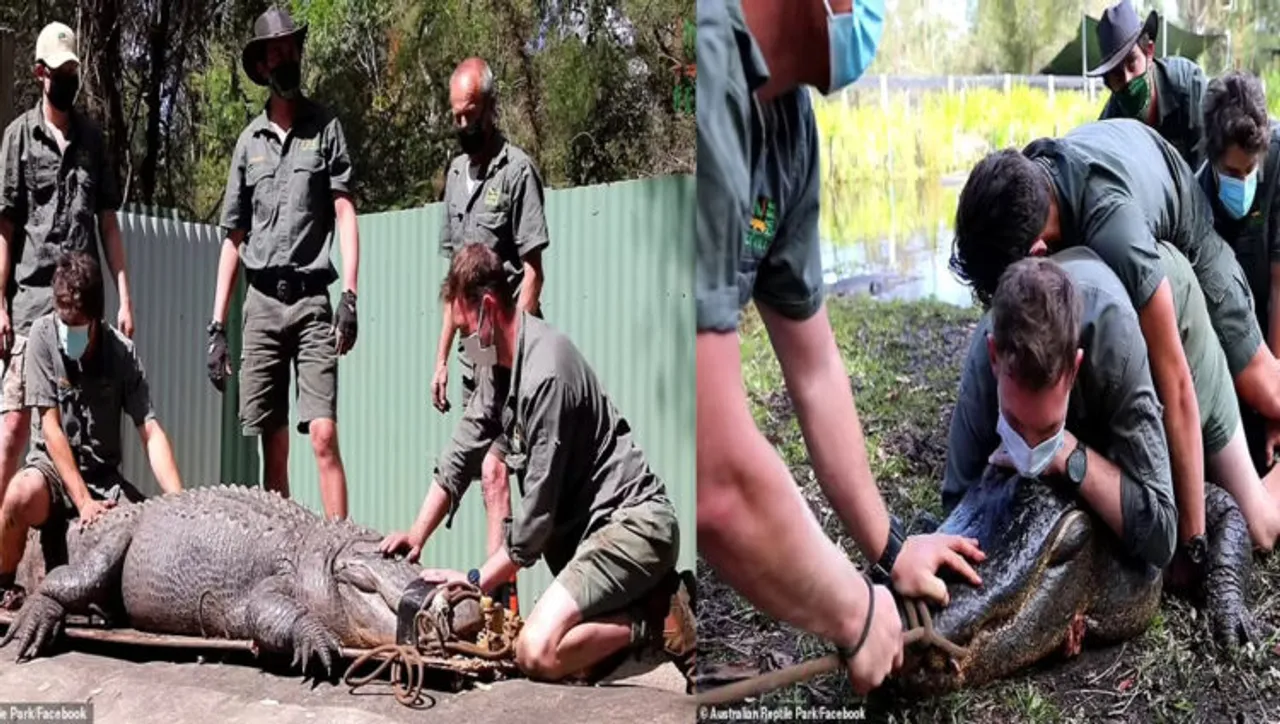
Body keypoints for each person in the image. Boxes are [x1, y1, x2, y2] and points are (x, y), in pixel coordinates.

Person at [696, 0, 986, 696]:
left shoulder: (788, 124)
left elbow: (818, 368)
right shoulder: (703, 76)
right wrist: (857, 615)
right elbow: (714, 478)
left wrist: (887, 548)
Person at [950, 119, 1280, 563]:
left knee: (1263, 395)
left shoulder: (1115, 232)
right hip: (1126, 176)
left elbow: (1176, 381)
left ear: (1037, 256)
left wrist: (1192, 538)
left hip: (1186, 234)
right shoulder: (1017, 196)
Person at [378, 243, 693, 683]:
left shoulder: (547, 372)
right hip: (592, 541)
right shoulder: (498, 362)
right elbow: (465, 445)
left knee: (535, 651)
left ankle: (657, 619)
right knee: (562, 657)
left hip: (634, 528)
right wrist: (417, 534)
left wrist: (473, 579)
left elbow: (536, 522)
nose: (463, 345)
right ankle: (635, 614)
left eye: (463, 329)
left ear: (488, 308)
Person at [206, 7, 360, 520]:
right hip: (262, 307)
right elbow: (234, 238)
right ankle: (282, 563)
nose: (285, 58)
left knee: (323, 435)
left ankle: (341, 557)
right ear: (262, 66)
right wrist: (216, 327)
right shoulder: (248, 143)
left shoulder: (327, 128)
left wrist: (351, 296)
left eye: (291, 49)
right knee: (272, 451)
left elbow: (344, 210)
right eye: (275, 53)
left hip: (314, 301)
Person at [945, 254, 1178, 568]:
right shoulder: (985, 357)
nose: (1028, 449)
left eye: (1045, 430)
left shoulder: (1116, 347)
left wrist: (1066, 453)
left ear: (1075, 367)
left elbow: (1162, 537)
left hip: (1174, 317)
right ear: (994, 357)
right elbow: (957, 505)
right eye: (1015, 423)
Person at [0, 22, 137, 507]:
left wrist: (123, 293)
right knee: (15, 425)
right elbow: (6, 229)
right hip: (32, 303)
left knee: (82, 430)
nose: (69, 79)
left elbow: (109, 225)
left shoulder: (93, 141)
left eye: (74, 70)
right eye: (60, 71)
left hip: (81, 312)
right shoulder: (18, 138)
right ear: (41, 73)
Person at [0, 252, 183, 609]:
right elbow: (50, 428)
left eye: (77, 324)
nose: (68, 332)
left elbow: (150, 430)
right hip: (51, 472)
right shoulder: (41, 335)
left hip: (104, 477)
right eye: (63, 321)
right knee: (19, 494)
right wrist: (82, 501)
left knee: (152, 533)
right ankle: (3, 582)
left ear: (97, 317)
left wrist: (180, 502)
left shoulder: (122, 354)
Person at [433, 56, 551, 605]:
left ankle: (497, 604)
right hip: (472, 352)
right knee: (484, 475)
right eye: (455, 117)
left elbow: (533, 271)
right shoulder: (455, 178)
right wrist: (441, 358)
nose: (463, 126)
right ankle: (497, 600)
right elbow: (453, 287)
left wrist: (518, 349)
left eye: (470, 115)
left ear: (490, 107)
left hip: (509, 345)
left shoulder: (517, 170)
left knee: (498, 470)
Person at [1196, 70, 1280, 474]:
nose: (1243, 181)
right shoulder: (1195, 200)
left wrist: (1274, 406)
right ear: (1212, 159)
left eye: (1250, 171)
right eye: (1232, 173)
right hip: (1231, 339)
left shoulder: (1277, 162)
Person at [1090, 0, 1208, 173]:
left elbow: (1207, 167)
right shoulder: (1111, 124)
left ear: (1149, 52)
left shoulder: (1189, 87)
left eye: (1131, 62)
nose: (1127, 79)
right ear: (1108, 83)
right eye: (1116, 74)